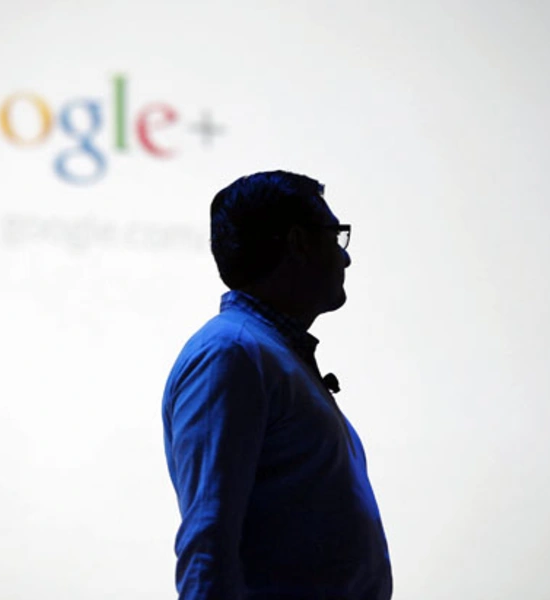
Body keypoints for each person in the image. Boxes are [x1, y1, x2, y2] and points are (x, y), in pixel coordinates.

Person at [161, 170, 392, 599]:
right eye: (335, 236)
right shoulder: (231, 353)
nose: (346, 258)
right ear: (298, 242)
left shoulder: (265, 354)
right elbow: (208, 544)